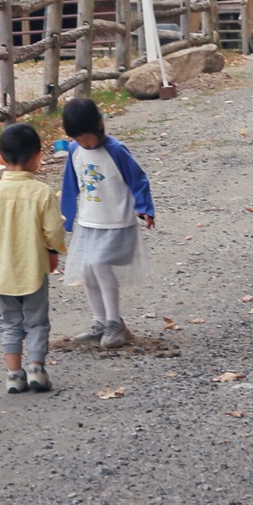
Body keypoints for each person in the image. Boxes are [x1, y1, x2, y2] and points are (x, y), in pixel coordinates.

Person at [0, 122, 67, 394]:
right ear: (38, 157)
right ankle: (36, 368)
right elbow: (53, 231)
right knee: (37, 321)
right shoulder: (41, 193)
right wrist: (53, 251)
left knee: (9, 323)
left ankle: (14, 374)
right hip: (33, 269)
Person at [59, 97, 154, 350]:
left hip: (116, 221)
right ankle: (100, 322)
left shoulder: (116, 150)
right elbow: (70, 186)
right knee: (87, 271)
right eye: (78, 139)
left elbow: (138, 180)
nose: (85, 143)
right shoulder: (73, 151)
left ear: (100, 125)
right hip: (89, 221)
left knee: (98, 265)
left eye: (87, 137)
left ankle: (116, 324)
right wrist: (66, 219)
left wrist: (144, 208)